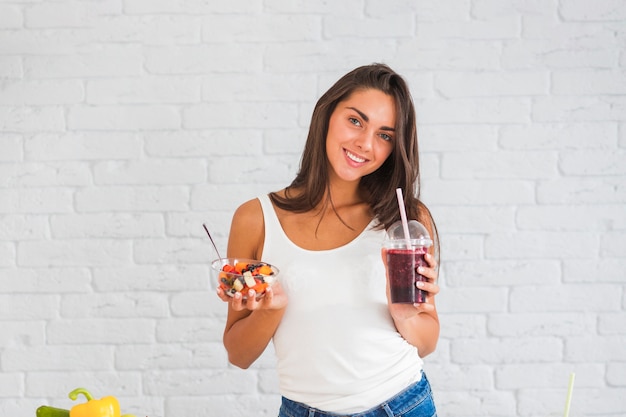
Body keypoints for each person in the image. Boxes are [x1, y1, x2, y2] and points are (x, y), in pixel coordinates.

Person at [216, 63, 440, 417]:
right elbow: (238, 355)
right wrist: (272, 309)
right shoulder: (256, 219)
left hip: (403, 405)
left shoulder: (405, 222)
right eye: (355, 120)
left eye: (385, 135)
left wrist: (405, 315)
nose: (365, 143)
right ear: (327, 114)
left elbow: (426, 343)